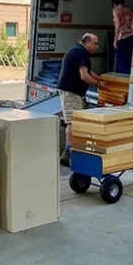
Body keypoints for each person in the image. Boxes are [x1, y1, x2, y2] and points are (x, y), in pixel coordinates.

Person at [57, 33, 107, 167]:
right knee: (72, 122)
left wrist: (103, 79)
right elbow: (84, 76)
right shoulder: (80, 52)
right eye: (95, 44)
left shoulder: (78, 51)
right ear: (86, 42)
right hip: (71, 93)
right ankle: (67, 154)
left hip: (73, 92)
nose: (96, 47)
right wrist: (97, 84)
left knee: (74, 121)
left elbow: (89, 72)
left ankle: (70, 152)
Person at [112, 0, 133, 75]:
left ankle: (125, 78)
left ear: (114, 3)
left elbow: (118, 25)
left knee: (122, 60)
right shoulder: (129, 9)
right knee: (129, 59)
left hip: (122, 36)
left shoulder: (116, 10)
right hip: (132, 35)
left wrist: (115, 40)